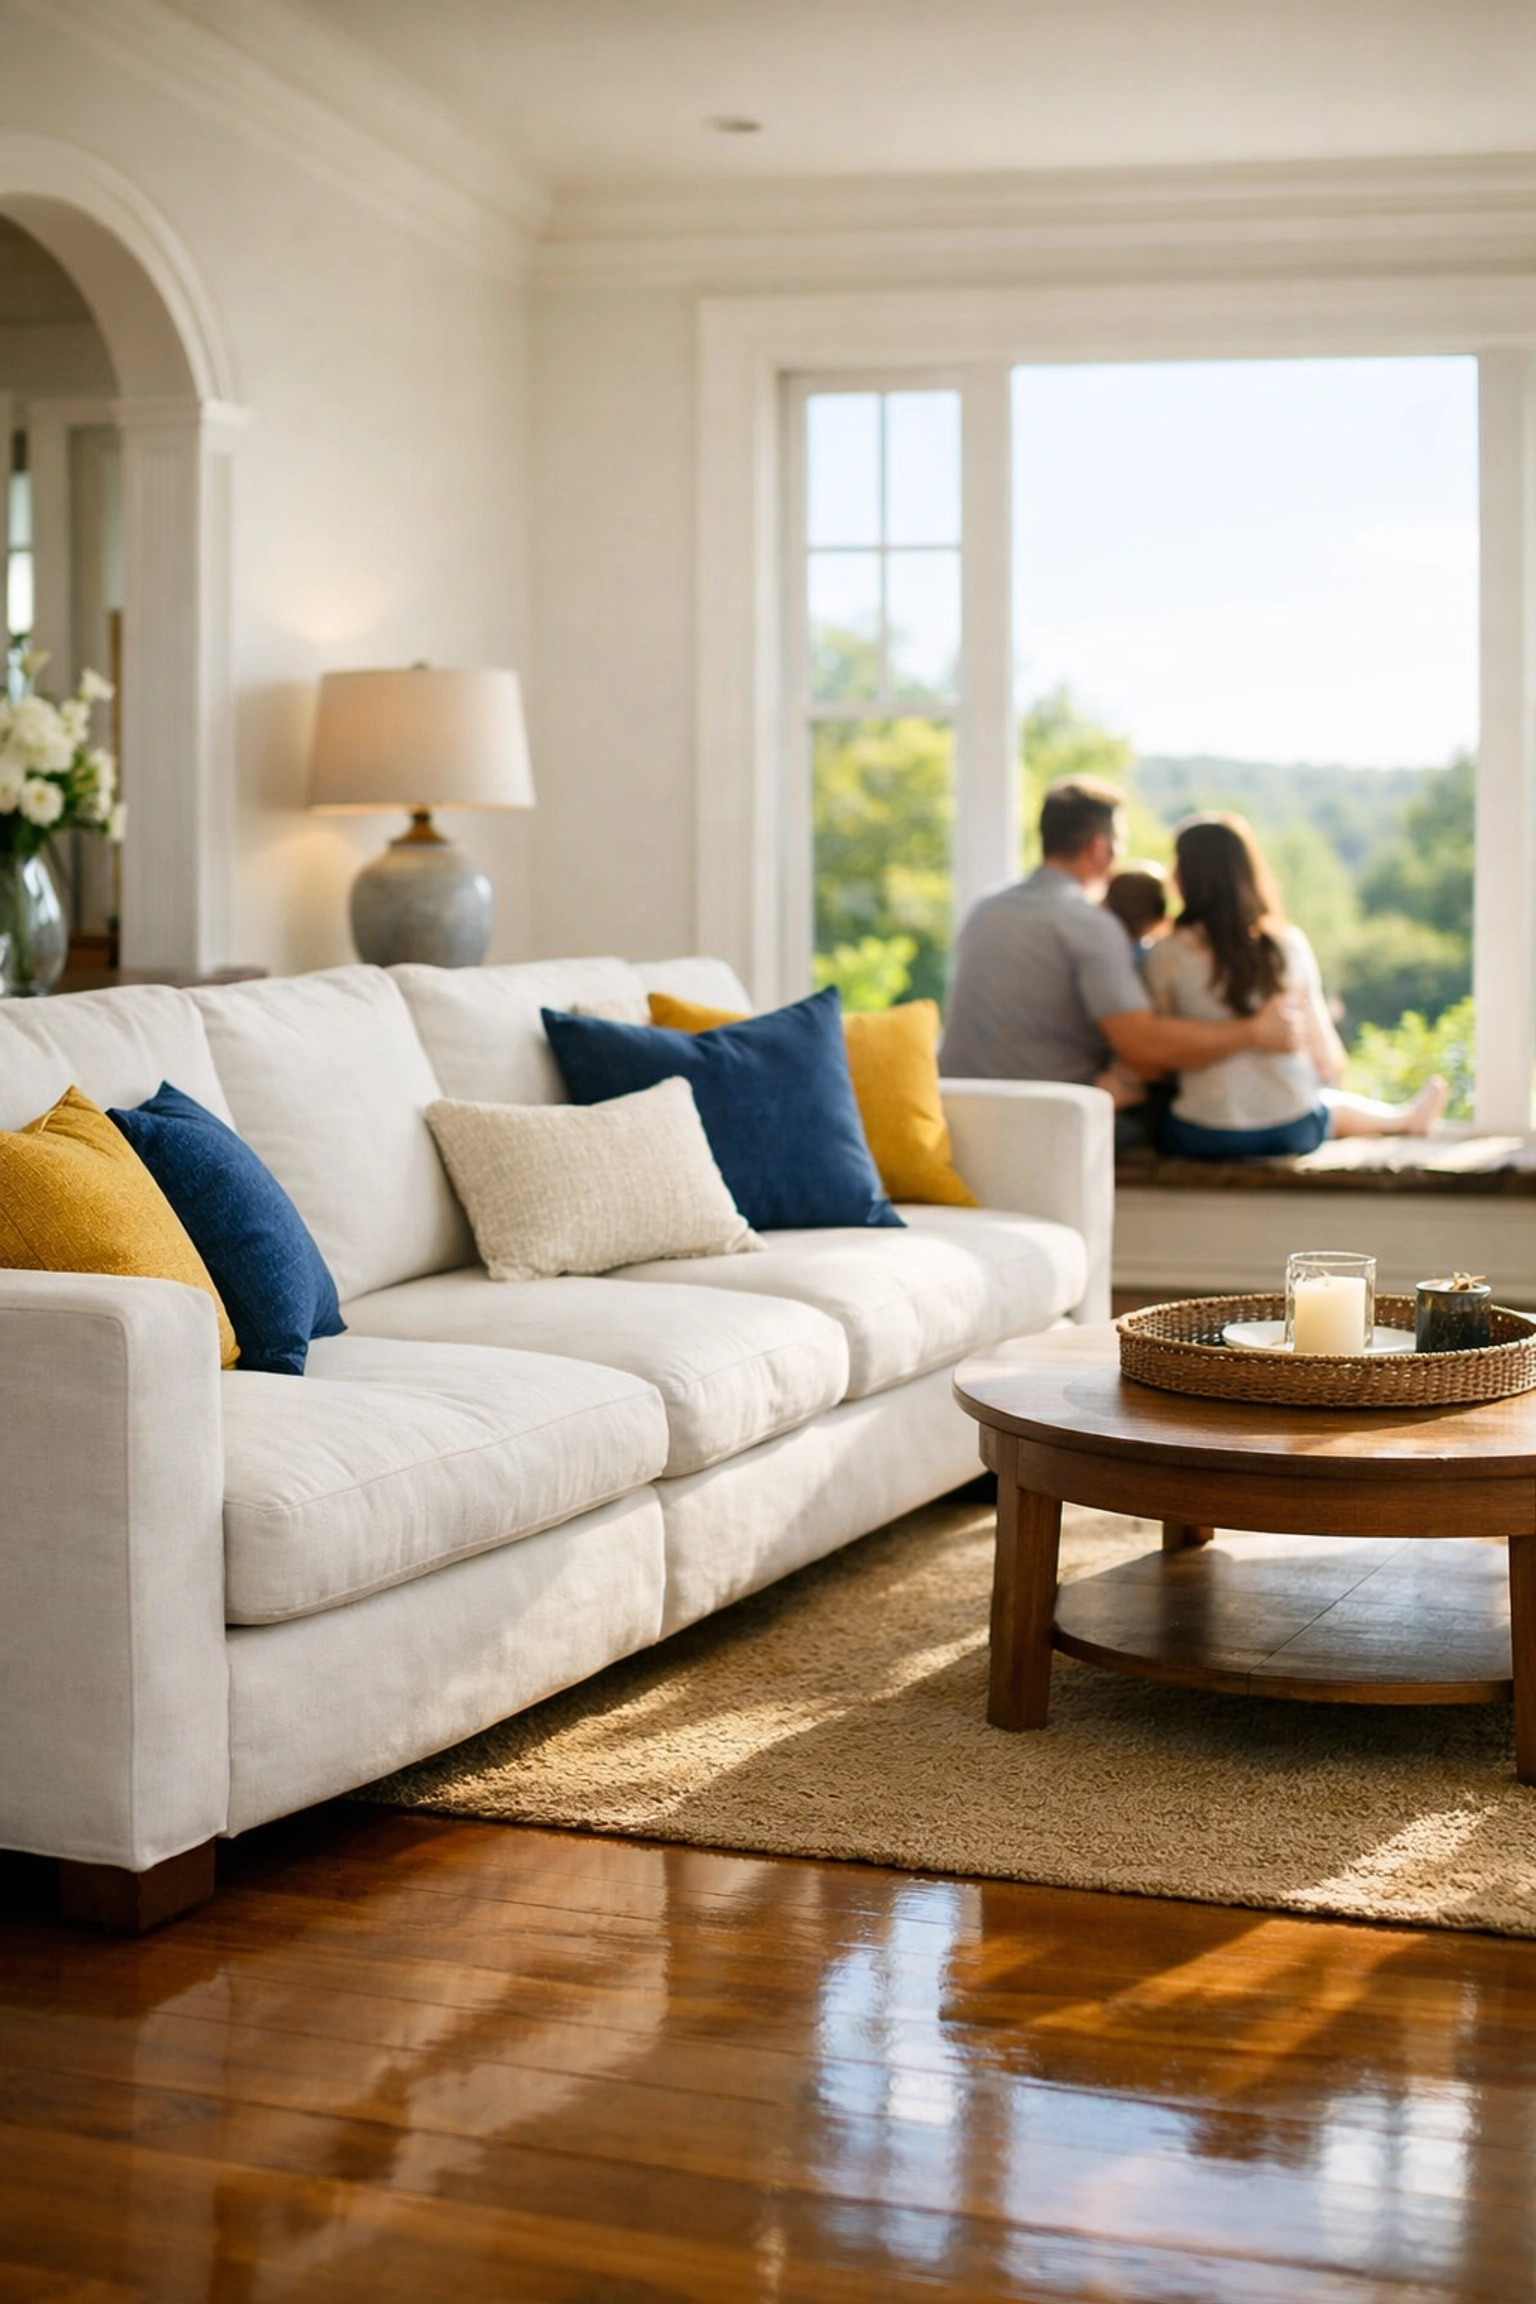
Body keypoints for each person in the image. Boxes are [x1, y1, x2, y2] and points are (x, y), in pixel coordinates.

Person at [939, 778, 1301, 1143]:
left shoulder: (985, 909)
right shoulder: (1089, 925)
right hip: (1046, 1120)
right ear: (1100, 848)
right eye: (1120, 844)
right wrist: (1255, 1031)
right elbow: (1144, 1047)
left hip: (958, 1111)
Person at [1143, 812, 1447, 1159]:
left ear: (1182, 876)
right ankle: (1402, 1119)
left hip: (1200, 1134)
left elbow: (1159, 1046)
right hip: (1291, 1129)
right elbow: (1327, 1057)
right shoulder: (1286, 945)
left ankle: (1403, 1117)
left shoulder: (1165, 955)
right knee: (1329, 1105)